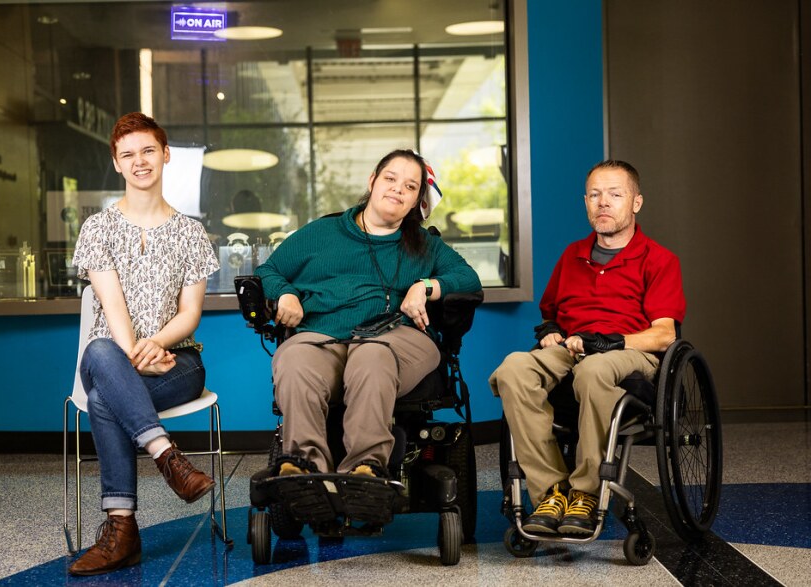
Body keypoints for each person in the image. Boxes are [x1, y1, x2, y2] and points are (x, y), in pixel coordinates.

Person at [255, 149, 482, 477]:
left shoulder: (423, 244)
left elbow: (468, 278)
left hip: (397, 338)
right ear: (373, 181)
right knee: (294, 359)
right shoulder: (322, 233)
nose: (397, 189)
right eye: (390, 179)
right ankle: (303, 468)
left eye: (409, 186)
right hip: (324, 335)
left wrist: (426, 286)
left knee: (371, 353)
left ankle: (367, 468)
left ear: (418, 198)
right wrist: (285, 292)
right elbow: (268, 270)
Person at [489, 160, 685, 535]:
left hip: (630, 350)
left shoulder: (660, 260)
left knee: (594, 370)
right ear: (586, 202)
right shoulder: (572, 255)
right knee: (513, 368)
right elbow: (551, 314)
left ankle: (586, 492)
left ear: (636, 203)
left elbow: (665, 335)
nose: (603, 203)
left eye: (615, 194)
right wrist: (550, 330)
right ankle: (552, 491)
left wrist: (612, 342)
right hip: (573, 347)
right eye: (595, 195)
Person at [68, 112, 220, 575]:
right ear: (116, 163)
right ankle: (167, 456)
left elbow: (190, 314)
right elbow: (111, 309)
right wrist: (137, 354)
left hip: (177, 362)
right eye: (128, 154)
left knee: (102, 400)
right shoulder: (98, 228)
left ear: (166, 154)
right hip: (113, 356)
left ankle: (121, 533)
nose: (139, 162)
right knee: (99, 351)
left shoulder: (191, 232)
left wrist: (155, 346)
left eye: (148, 151)